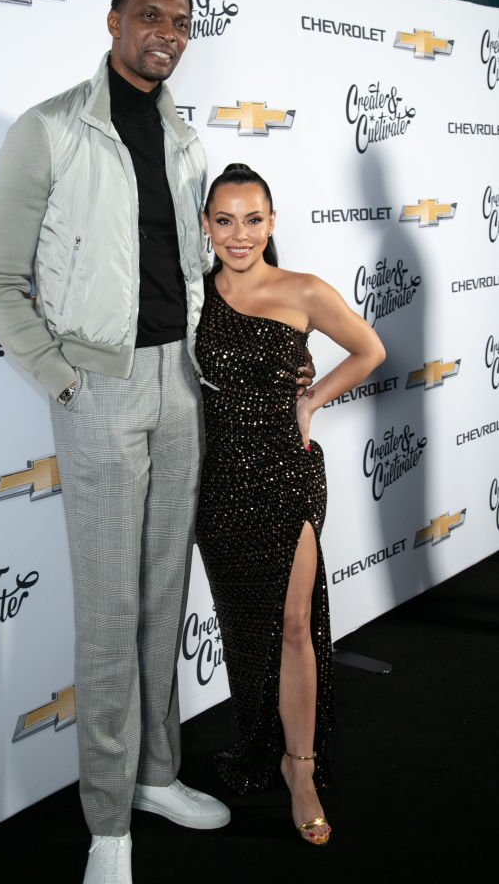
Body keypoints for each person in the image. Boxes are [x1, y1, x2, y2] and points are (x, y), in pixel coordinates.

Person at [0, 0, 314, 883]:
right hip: (101, 387)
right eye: (150, 15)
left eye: (181, 21)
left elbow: (204, 268)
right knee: (107, 610)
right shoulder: (49, 129)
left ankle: (155, 774)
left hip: (183, 386)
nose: (166, 31)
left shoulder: (184, 139)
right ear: (115, 20)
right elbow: (0, 281)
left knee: (164, 595)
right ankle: (106, 824)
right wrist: (62, 380)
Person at [195, 163, 386, 846]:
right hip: (217, 481)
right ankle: (259, 738)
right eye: (224, 219)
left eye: (252, 219)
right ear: (206, 225)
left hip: (286, 472)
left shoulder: (301, 289)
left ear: (271, 223)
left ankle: (298, 766)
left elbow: (368, 349)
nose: (238, 234)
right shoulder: (194, 297)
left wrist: (312, 397)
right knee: (247, 629)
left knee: (294, 621)